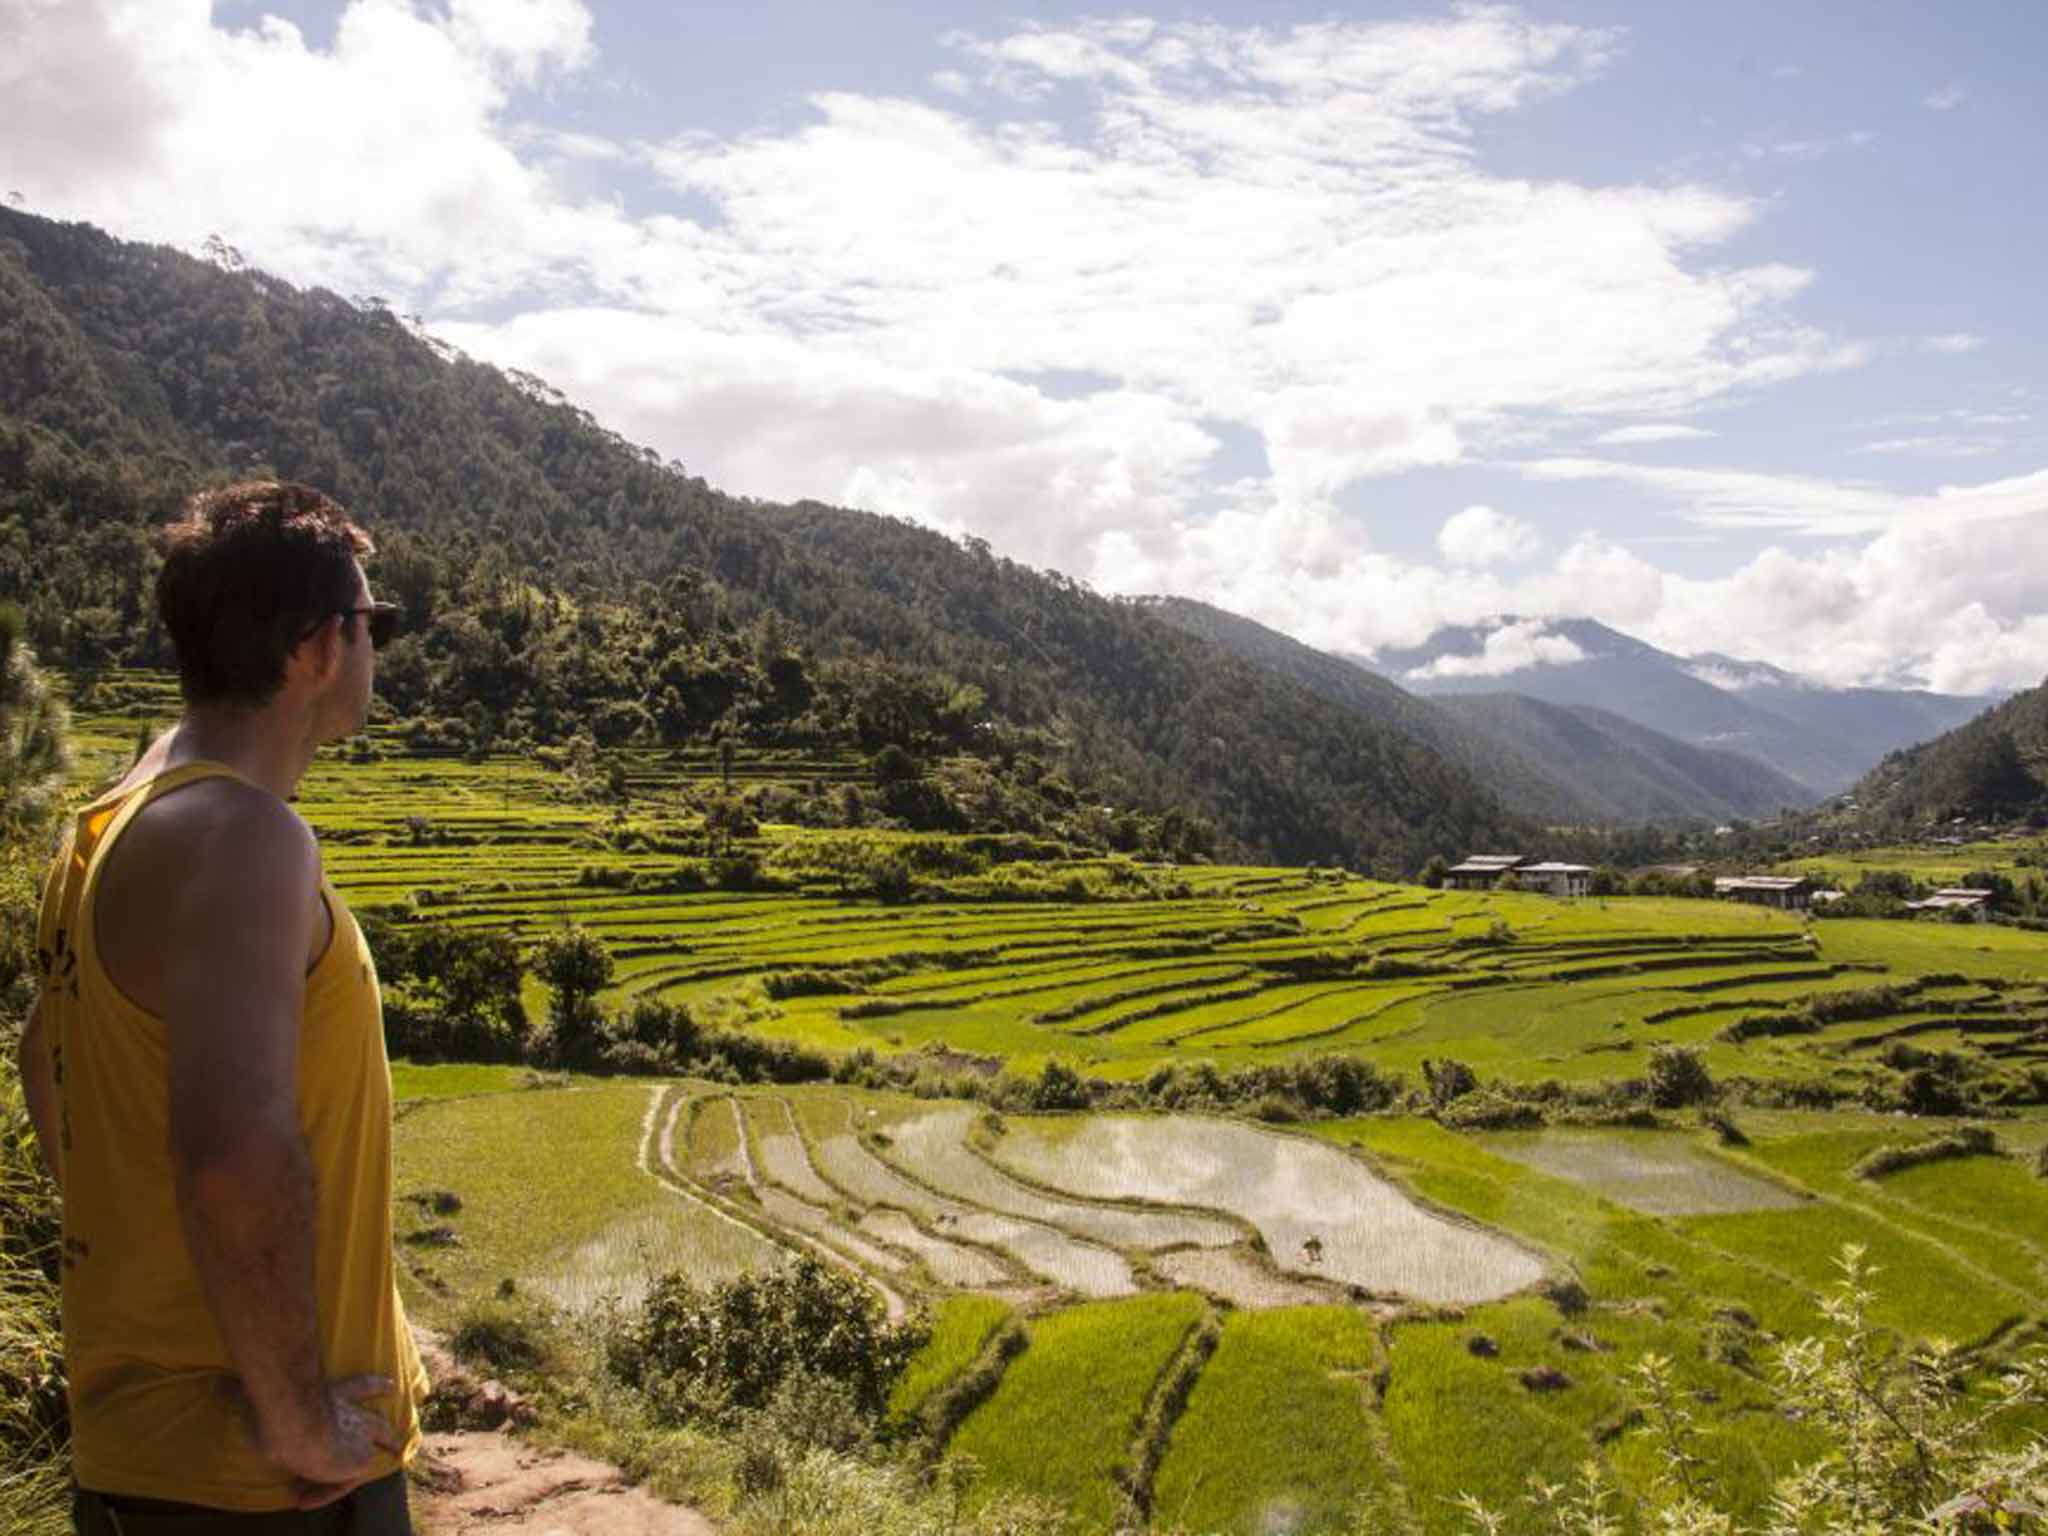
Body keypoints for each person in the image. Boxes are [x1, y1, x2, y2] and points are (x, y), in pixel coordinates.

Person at [19, 481, 427, 1533]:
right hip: (258, 1486)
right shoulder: (244, 838)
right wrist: (300, 1425)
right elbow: (236, 1155)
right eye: (374, 623)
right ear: (318, 647)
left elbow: (39, 1062)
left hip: (143, 1452)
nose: (377, 648)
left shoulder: (110, 820)